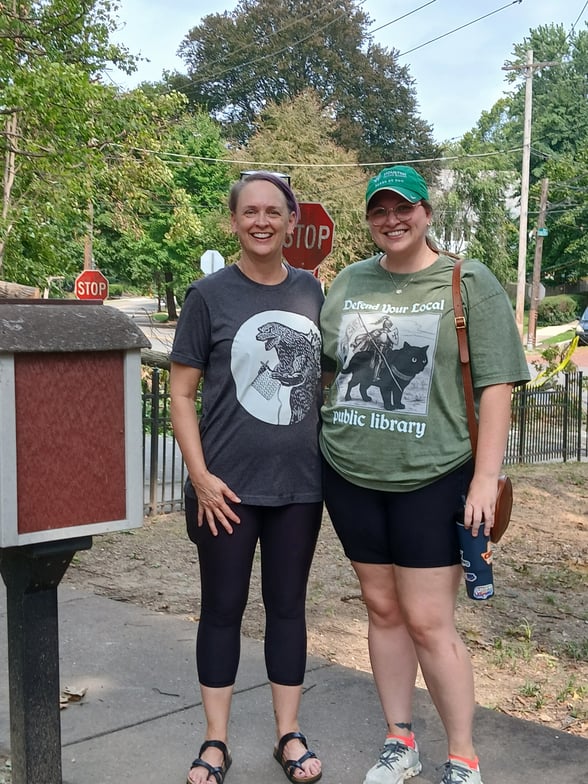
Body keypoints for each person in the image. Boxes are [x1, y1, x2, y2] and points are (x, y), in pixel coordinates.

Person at [319, 165, 530, 784]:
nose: (392, 220)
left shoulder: (468, 282)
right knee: (381, 608)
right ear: (368, 219)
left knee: (429, 620)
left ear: (426, 212)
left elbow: (496, 386)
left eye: (403, 207)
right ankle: (399, 739)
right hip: (350, 471)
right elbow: (327, 365)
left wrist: (484, 478)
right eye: (379, 211)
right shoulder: (350, 282)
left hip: (435, 474)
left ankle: (462, 754)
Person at [170, 171, 324, 784]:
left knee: (288, 608)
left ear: (291, 221)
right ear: (234, 222)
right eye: (250, 212)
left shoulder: (313, 292)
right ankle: (215, 741)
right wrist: (201, 476)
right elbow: (182, 394)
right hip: (225, 490)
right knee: (222, 609)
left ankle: (289, 734)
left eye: (273, 212)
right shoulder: (208, 295)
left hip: (300, 486)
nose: (262, 221)